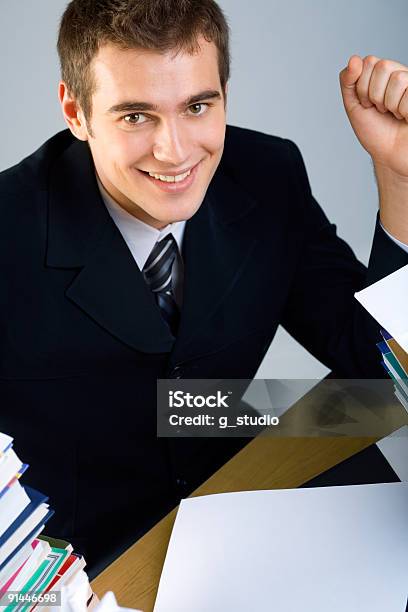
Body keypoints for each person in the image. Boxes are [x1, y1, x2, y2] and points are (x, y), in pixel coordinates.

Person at [1, 0, 408, 574]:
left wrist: (397, 175)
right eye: (135, 115)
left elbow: (381, 378)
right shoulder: (8, 228)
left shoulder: (267, 172)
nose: (175, 151)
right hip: (82, 567)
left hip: (247, 507)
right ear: (76, 111)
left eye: (196, 106)